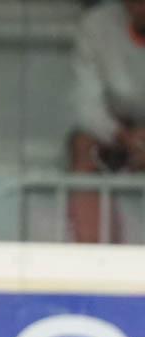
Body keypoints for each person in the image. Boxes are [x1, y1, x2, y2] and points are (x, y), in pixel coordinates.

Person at [68, 0, 145, 243]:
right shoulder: (97, 24)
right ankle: (94, 253)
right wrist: (123, 135)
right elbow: (86, 104)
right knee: (84, 147)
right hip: (116, 132)